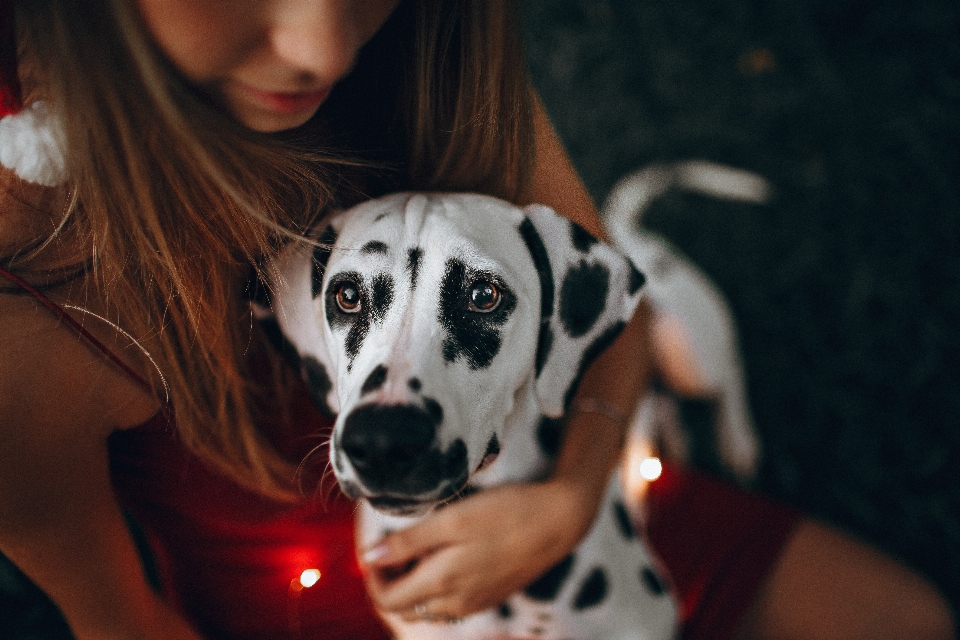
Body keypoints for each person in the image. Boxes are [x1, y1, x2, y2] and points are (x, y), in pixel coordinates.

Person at [0, 1, 953, 640]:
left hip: (548, 490)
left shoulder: (410, 47)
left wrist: (569, 500)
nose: (325, 48)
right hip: (310, 612)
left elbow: (602, 306)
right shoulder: (23, 319)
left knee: (906, 619)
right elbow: (120, 623)